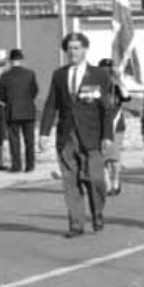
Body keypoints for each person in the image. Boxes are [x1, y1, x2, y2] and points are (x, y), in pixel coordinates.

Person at [39, 32, 115, 237]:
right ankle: (76, 224)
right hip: (67, 137)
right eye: (69, 48)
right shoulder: (59, 75)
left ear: (85, 50)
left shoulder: (99, 74)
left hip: (92, 137)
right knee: (70, 182)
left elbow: (106, 109)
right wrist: (44, 133)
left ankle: (97, 212)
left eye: (77, 48)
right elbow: (50, 105)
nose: (73, 52)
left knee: (96, 180)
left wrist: (107, 136)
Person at [0, 48, 39, 172]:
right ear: (21, 60)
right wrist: (27, 100)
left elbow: (2, 96)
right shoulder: (30, 73)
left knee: (14, 140)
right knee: (29, 140)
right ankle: (30, 165)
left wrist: (8, 101)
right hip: (28, 110)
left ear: (10, 61)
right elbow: (35, 91)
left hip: (12, 111)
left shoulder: (5, 76)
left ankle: (16, 166)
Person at [98, 58, 131, 196]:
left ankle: (116, 180)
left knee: (114, 157)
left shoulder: (117, 87)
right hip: (100, 126)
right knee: (102, 158)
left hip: (116, 126)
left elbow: (127, 96)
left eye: (108, 70)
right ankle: (107, 184)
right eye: (102, 70)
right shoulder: (96, 87)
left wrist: (118, 79)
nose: (106, 72)